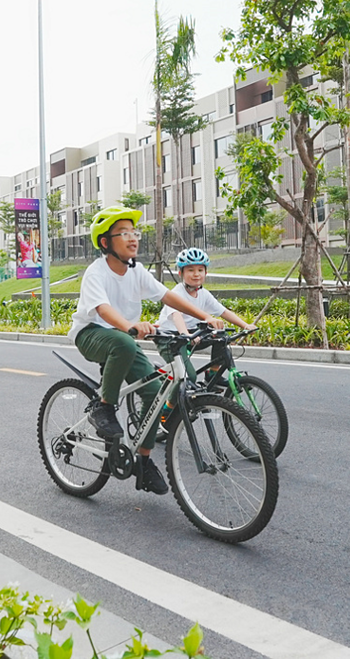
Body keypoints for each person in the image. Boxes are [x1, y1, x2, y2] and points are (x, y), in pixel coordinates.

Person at [69, 206, 226, 495]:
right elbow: (102, 310)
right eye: (124, 233)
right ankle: (103, 407)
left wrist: (205, 317)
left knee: (155, 391)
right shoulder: (96, 272)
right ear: (106, 242)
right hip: (92, 334)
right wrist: (130, 325)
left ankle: (143, 461)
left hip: (124, 340)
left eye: (134, 233)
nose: (133, 238)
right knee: (124, 342)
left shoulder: (137, 271)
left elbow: (168, 296)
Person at [157, 247, 253, 378]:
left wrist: (245, 326)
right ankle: (167, 386)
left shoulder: (204, 294)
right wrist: (186, 335)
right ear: (180, 273)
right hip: (170, 338)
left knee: (221, 336)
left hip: (191, 335)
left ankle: (213, 375)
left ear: (206, 273)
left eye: (200, 270)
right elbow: (176, 316)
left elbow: (223, 312)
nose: (196, 274)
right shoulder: (176, 293)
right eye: (190, 270)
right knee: (188, 377)